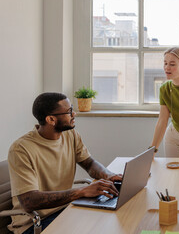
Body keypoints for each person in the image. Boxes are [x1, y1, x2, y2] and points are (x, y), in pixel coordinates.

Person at [7, 92, 122, 234]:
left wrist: (108, 175)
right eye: (69, 112)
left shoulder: (70, 135)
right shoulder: (21, 149)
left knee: (109, 220)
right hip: (34, 223)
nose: (74, 114)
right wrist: (81, 191)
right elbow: (29, 201)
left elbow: (89, 163)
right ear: (51, 119)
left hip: (65, 209)